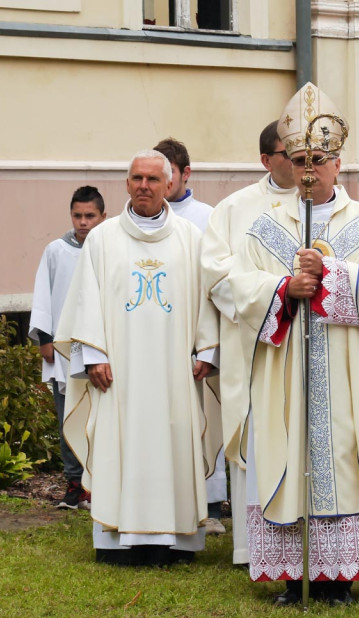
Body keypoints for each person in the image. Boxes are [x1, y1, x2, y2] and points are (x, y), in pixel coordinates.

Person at [227, 82, 359, 606]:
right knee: (287, 456)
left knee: (346, 459)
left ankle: (339, 578)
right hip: (285, 372)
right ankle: (294, 577)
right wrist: (285, 289)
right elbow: (238, 287)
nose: (308, 172)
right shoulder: (266, 227)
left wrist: (332, 274)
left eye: (318, 161)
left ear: (337, 163)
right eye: (299, 161)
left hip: (347, 373)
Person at [53, 150, 219, 566]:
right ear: (127, 184)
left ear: (169, 184)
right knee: (118, 441)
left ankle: (175, 541)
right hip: (117, 372)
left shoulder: (191, 238)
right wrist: (93, 354)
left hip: (175, 371)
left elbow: (206, 298)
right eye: (137, 178)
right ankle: (116, 539)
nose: (144, 186)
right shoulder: (103, 239)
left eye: (153, 179)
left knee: (173, 440)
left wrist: (207, 349)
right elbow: (86, 299)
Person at [199, 120, 296, 565]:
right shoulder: (234, 209)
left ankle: (307, 542)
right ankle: (253, 547)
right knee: (257, 433)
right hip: (252, 345)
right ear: (266, 160)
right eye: (291, 155)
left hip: (313, 344)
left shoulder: (325, 204)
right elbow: (215, 273)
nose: (302, 165)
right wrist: (274, 300)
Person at [154, 136, 226, 534]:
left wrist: (208, 346)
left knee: (204, 417)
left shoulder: (207, 217)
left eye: (169, 174)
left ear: (185, 174)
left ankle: (211, 503)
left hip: (197, 335)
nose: (162, 182)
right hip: (158, 335)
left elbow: (212, 282)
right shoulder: (142, 220)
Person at [29, 186, 107, 510]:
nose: (83, 222)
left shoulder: (110, 248)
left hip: (101, 350)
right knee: (68, 417)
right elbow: (43, 295)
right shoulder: (56, 251)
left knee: (101, 419)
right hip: (64, 350)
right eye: (77, 215)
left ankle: (102, 484)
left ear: (103, 216)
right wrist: (45, 339)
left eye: (90, 216)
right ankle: (75, 485)